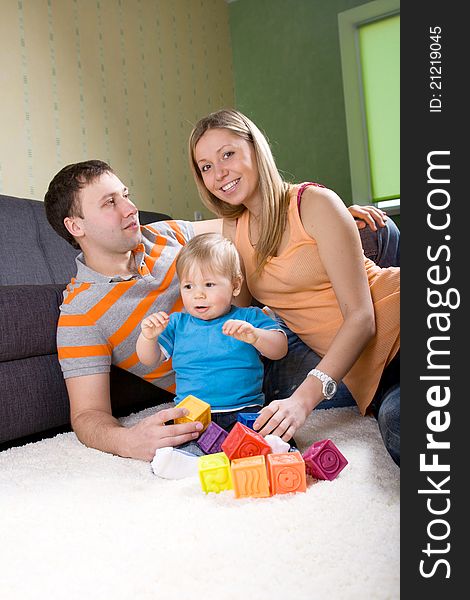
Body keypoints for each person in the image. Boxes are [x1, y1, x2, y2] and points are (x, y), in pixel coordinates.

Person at [44, 159, 396, 462]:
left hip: (264, 326)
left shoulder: (166, 234)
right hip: (245, 381)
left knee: (380, 233)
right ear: (76, 226)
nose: (130, 207)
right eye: (110, 202)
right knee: (370, 364)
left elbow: (261, 221)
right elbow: (88, 414)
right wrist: (126, 441)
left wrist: (328, 218)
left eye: (126, 195)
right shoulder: (81, 314)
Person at [188, 108, 400, 466]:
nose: (219, 172)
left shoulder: (314, 203)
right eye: (206, 166)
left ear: (256, 150)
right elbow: (239, 311)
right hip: (374, 381)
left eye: (228, 154)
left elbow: (361, 317)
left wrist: (302, 401)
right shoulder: (231, 232)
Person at [136, 232, 287, 433]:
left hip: (245, 409)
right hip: (190, 414)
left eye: (209, 284)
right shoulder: (176, 323)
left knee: (271, 440)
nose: (198, 294)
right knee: (178, 449)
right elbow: (149, 359)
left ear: (235, 286)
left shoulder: (249, 318)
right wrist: (148, 337)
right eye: (188, 286)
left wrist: (256, 336)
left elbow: (280, 349)